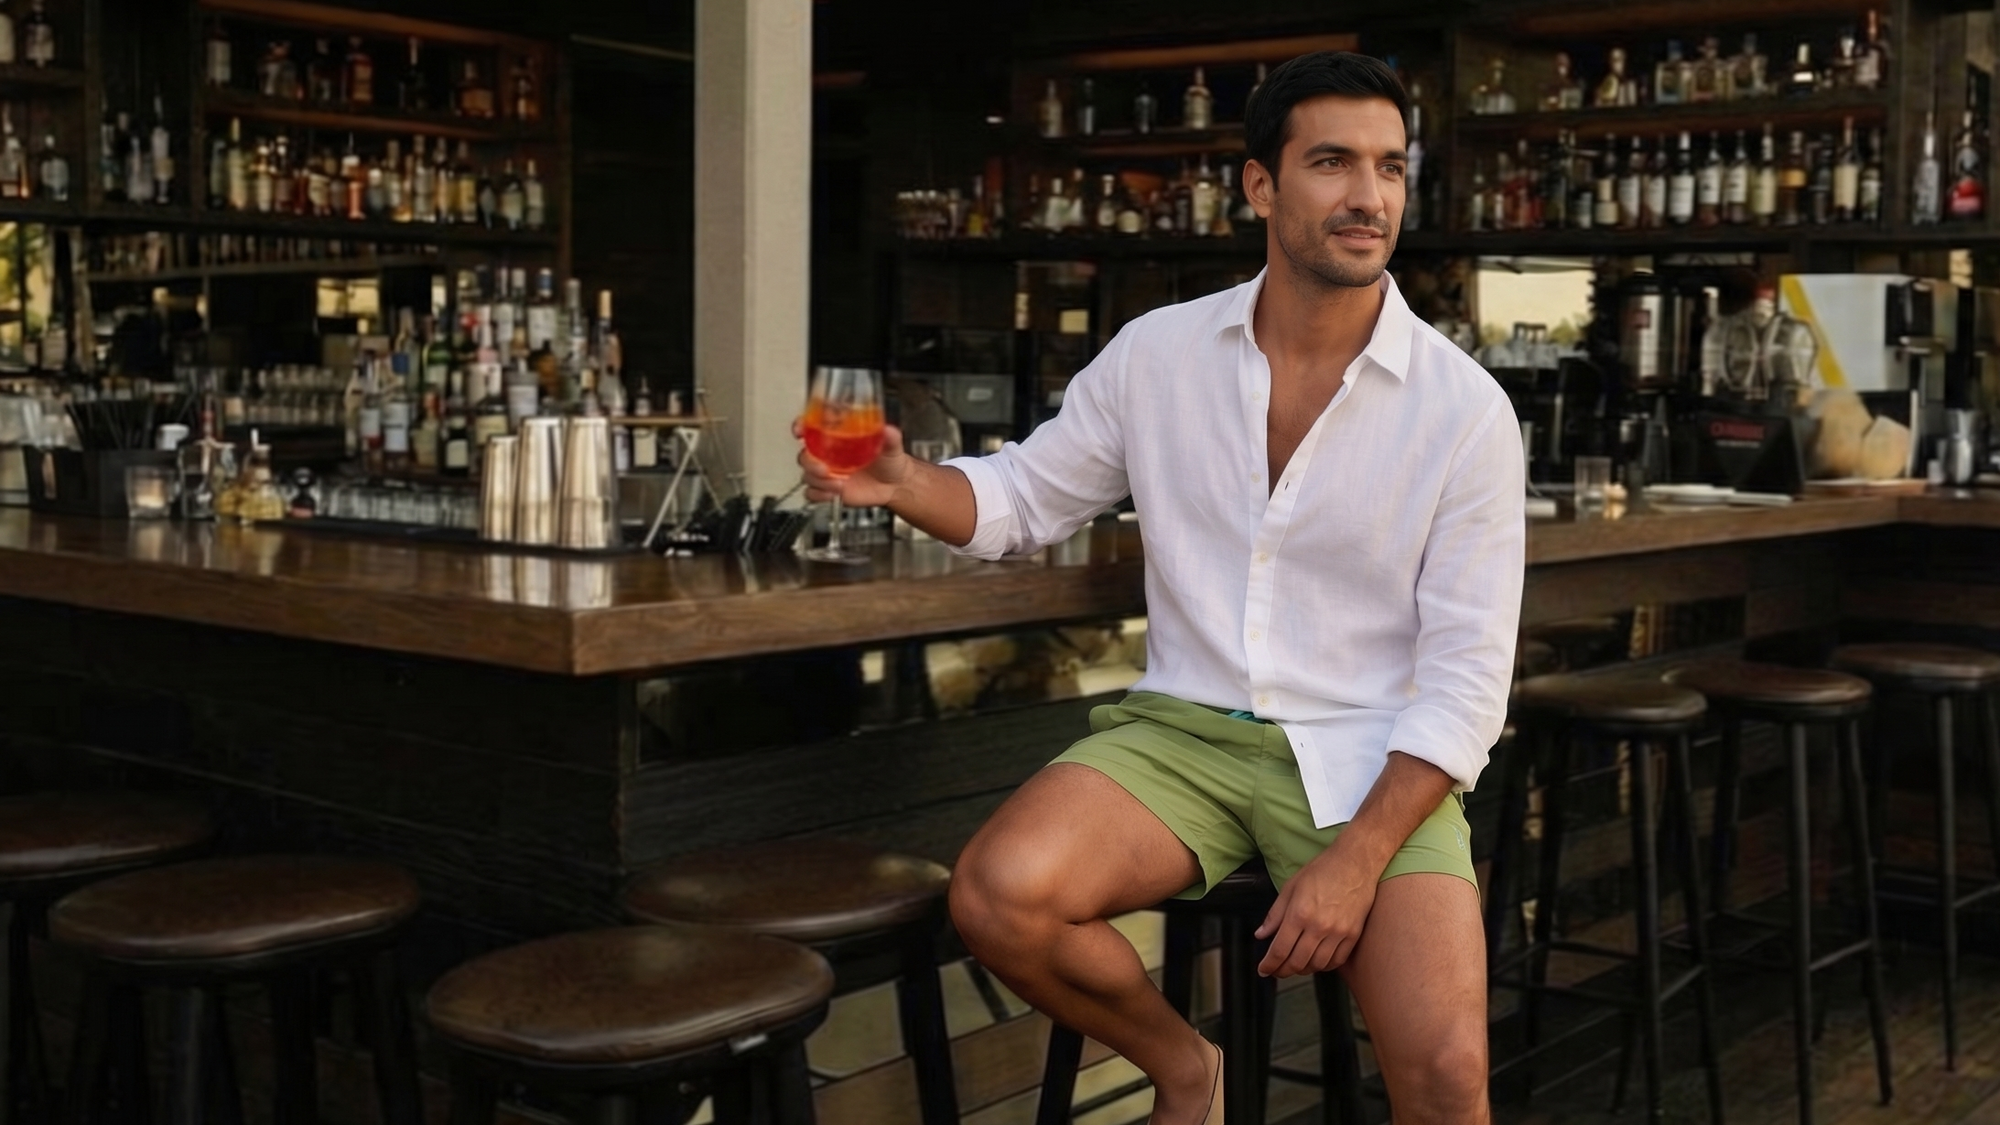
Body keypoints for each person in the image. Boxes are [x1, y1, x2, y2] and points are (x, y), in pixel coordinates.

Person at [797, 51, 1522, 1125]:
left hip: (1372, 754)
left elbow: (1467, 682)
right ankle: (1187, 1069)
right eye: (1331, 163)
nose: (1367, 197)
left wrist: (1353, 862)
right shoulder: (1157, 356)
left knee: (1446, 1077)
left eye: (1388, 168)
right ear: (1260, 187)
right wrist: (900, 480)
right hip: (1180, 732)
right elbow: (1024, 500)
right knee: (999, 895)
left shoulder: (1462, 411)